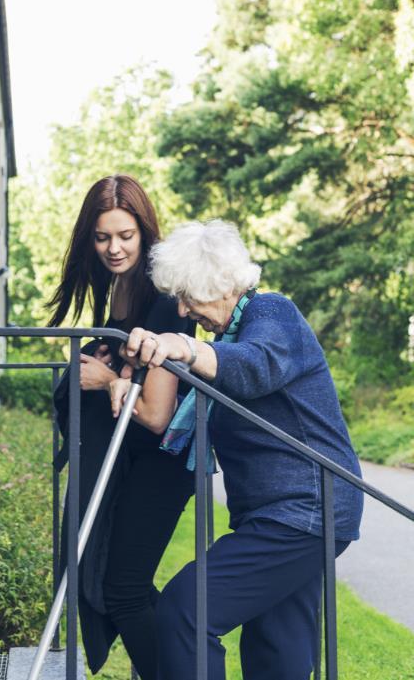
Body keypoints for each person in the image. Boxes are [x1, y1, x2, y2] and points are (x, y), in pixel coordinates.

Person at [120, 219, 364, 680]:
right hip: (290, 514)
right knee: (278, 646)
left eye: (190, 296)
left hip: (306, 510)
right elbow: (179, 417)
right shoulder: (228, 339)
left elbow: (256, 367)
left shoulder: (272, 314)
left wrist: (184, 346)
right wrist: (123, 382)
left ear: (221, 283)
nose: (185, 309)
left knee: (185, 609)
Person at [46, 174, 194, 679]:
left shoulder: (164, 298)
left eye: (125, 236)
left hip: (165, 460)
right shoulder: (120, 294)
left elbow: (156, 414)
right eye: (103, 236)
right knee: (119, 583)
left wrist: (106, 376)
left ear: (145, 233)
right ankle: (184, 659)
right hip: (136, 460)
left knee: (123, 589)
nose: (113, 248)